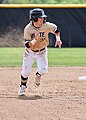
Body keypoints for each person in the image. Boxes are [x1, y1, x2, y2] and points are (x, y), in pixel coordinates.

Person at [18, 8, 62, 95]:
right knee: (25, 72)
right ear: (34, 19)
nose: (42, 19)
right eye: (40, 18)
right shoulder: (28, 29)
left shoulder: (46, 25)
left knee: (44, 70)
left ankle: (38, 74)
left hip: (42, 51)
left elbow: (56, 30)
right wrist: (34, 40)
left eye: (42, 17)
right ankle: (23, 86)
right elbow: (27, 44)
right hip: (29, 52)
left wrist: (58, 39)